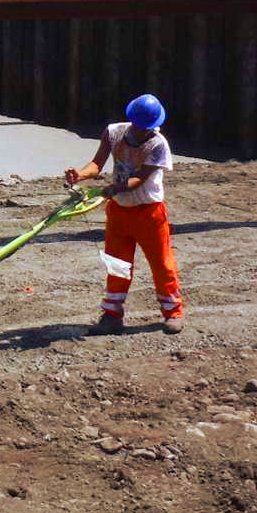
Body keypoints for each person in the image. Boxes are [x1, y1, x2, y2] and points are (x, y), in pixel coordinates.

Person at [65, 94, 184, 336]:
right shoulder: (114, 132)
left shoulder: (158, 145)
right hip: (119, 211)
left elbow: (140, 178)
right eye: (141, 127)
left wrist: (114, 188)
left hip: (149, 211)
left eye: (148, 128)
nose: (144, 132)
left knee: (161, 264)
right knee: (117, 264)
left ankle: (173, 312)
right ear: (133, 122)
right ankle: (112, 314)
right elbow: (97, 164)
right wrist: (80, 175)